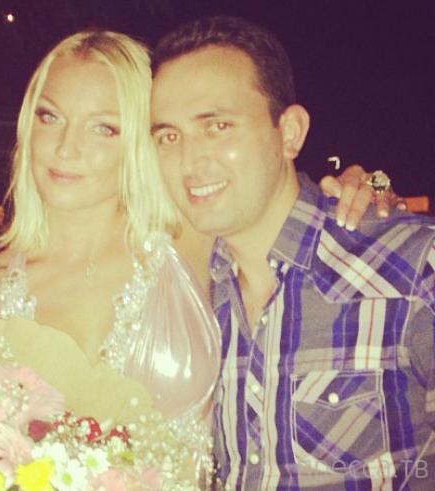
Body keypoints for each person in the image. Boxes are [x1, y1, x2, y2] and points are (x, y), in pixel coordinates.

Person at [0, 28, 391, 486]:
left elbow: (279, 199)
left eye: (103, 128)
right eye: (50, 116)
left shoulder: (195, 240)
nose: (66, 147)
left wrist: (366, 185)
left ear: (141, 141)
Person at [150, 15, 435, 489]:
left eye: (218, 126)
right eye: (169, 137)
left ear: (290, 133)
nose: (189, 161)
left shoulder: (408, 266)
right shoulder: (186, 296)